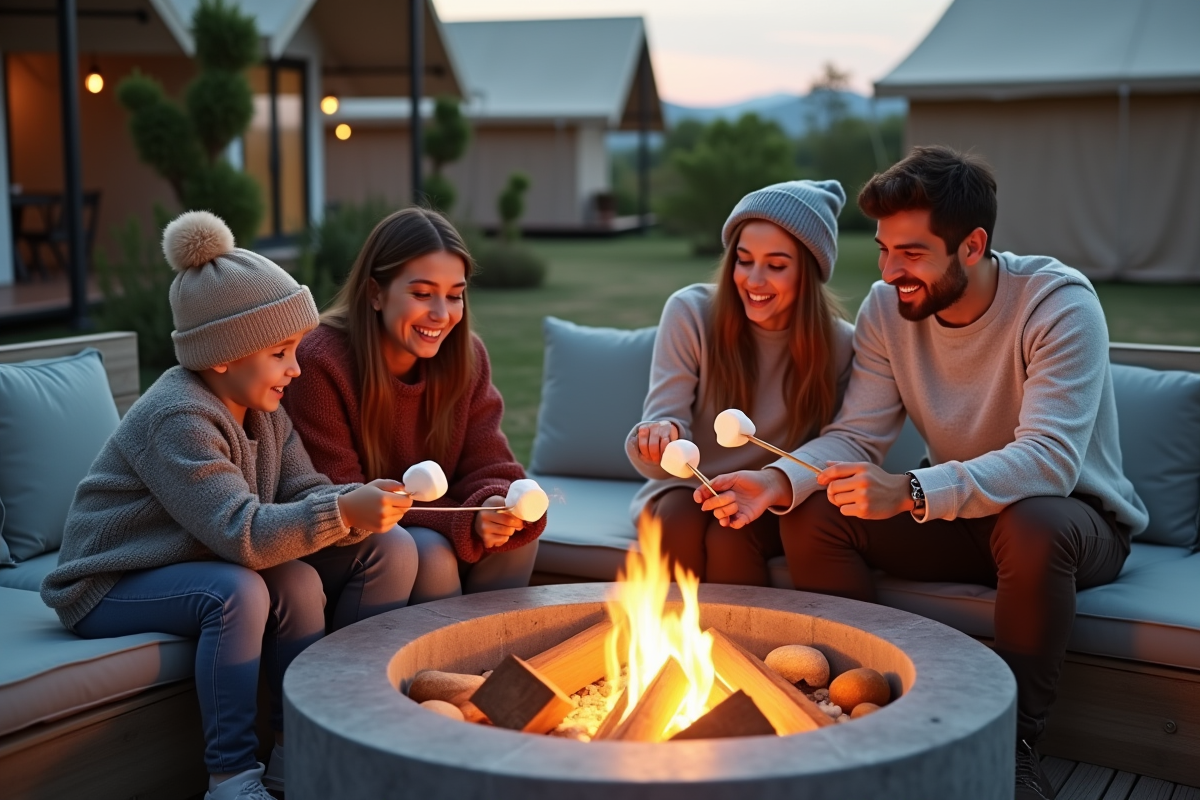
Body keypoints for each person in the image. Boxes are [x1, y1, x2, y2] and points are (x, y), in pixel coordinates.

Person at [701, 146, 1146, 800]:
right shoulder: (888, 311)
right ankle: (857, 710)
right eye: (882, 250)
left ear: (971, 246)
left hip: (1074, 520)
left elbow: (1050, 461)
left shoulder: (1057, 303)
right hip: (960, 514)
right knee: (820, 512)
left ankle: (1013, 742)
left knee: (1033, 524)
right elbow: (857, 436)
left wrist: (910, 490)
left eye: (910, 254)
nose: (889, 272)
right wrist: (777, 481)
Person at [40, 212, 419, 800]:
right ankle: (232, 777)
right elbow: (243, 536)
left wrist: (354, 502)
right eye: (282, 352)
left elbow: (300, 492)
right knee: (239, 591)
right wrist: (343, 514)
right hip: (111, 579)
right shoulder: (178, 417)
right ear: (223, 354)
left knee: (349, 562)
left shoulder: (264, 406)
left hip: (196, 554)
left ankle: (303, 750)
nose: (297, 366)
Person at [284, 207, 544, 602]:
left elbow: (491, 463)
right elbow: (339, 493)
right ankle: (439, 662)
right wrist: (466, 520)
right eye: (422, 294)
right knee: (430, 551)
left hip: (432, 523)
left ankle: (491, 660)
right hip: (349, 540)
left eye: (455, 295)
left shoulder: (466, 358)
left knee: (517, 537)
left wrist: (492, 504)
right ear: (375, 293)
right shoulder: (321, 359)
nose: (441, 315)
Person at [625, 180, 855, 585]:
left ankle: (739, 648)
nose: (753, 279)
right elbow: (665, 419)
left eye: (777, 265)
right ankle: (670, 645)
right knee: (679, 520)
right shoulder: (691, 313)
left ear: (811, 271)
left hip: (770, 498)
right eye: (744, 260)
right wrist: (656, 437)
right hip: (685, 491)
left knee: (733, 537)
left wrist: (774, 484)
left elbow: (843, 446)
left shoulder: (839, 345)